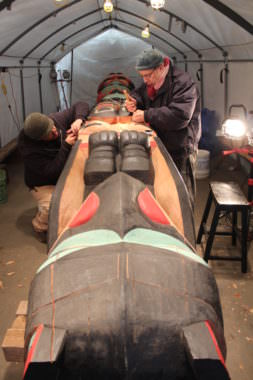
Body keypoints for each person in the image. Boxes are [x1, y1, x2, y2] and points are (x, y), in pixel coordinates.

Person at [125, 49, 201, 207]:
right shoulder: (153, 80)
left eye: (148, 75)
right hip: (161, 143)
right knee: (164, 194)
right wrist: (134, 101)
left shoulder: (183, 82)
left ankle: (186, 232)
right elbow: (139, 93)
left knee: (182, 198)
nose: (145, 80)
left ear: (161, 67)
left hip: (181, 148)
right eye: (142, 76)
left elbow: (180, 116)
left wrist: (146, 115)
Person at [18, 102, 89, 242]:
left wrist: (78, 119)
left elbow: (81, 104)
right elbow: (51, 171)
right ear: (39, 139)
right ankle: (40, 225)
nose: (55, 131)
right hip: (42, 183)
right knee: (53, 205)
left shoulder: (55, 120)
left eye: (53, 127)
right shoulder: (29, 150)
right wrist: (66, 146)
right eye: (49, 134)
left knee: (81, 197)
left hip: (62, 172)